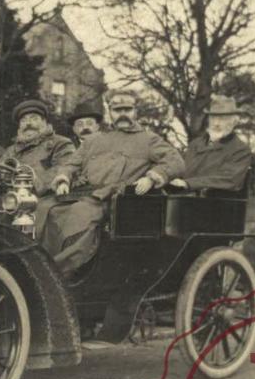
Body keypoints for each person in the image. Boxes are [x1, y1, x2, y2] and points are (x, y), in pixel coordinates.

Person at [42, 89, 185, 273]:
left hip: (114, 201)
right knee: (43, 207)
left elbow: (176, 161)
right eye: (118, 110)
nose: (123, 114)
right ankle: (38, 262)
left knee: (77, 215)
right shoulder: (94, 140)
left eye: (127, 109)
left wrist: (152, 177)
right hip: (83, 194)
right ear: (110, 112)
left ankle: (57, 271)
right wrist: (63, 178)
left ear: (135, 112)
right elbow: (71, 163)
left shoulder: (148, 139)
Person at [169, 94, 253, 192]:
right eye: (213, 117)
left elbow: (229, 180)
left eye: (223, 119)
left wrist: (188, 184)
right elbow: (180, 168)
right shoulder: (195, 144)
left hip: (217, 203)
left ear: (234, 121)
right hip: (184, 198)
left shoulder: (240, 150)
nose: (216, 123)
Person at [0, 99, 75, 197]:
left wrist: (30, 182)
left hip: (45, 199)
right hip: (10, 200)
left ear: (44, 122)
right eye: (23, 120)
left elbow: (64, 167)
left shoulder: (60, 143)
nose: (28, 124)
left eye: (34, 118)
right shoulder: (11, 151)